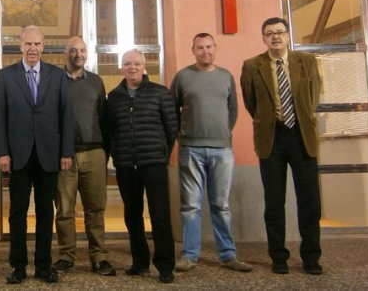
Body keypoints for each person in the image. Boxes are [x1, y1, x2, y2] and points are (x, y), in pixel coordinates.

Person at [240, 17, 323, 276]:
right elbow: (250, 102)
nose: (275, 37)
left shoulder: (306, 61)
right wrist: (269, 121)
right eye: (269, 33)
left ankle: (311, 257)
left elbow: (314, 96)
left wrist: (301, 117)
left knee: (309, 200)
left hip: (302, 137)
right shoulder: (252, 66)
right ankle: (278, 257)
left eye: (280, 32)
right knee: (274, 202)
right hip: (272, 138)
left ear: (288, 35)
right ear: (263, 38)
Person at [0, 25, 73, 284]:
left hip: (49, 154)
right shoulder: (6, 76)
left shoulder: (57, 76)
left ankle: (43, 265)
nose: (32, 48)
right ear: (19, 46)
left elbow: (66, 116)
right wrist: (2, 152)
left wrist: (66, 152)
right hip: (17, 155)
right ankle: (18, 266)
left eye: (37, 44)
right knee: (17, 212)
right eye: (28, 44)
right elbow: (0, 117)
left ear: (43, 46)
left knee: (45, 212)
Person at [171, 34, 252, 273]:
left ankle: (228, 255)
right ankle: (189, 255)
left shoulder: (226, 76)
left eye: (208, 47)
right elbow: (172, 109)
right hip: (191, 149)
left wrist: (223, 134)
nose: (205, 51)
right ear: (193, 50)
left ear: (215, 48)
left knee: (221, 205)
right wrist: (181, 135)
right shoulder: (183, 77)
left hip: (222, 150)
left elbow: (233, 110)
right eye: (199, 48)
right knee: (190, 206)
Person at [104, 48, 178, 284]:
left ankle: (165, 266)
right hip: (126, 165)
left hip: (153, 163)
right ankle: (140, 261)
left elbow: (172, 128)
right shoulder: (113, 97)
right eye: (127, 64)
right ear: (121, 67)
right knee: (132, 215)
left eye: (136, 63)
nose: (132, 67)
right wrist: (117, 155)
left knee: (160, 215)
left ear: (144, 65)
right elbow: (110, 131)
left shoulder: (161, 93)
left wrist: (161, 153)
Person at [52, 36, 115, 276]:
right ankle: (66, 255)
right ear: (64, 54)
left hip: (94, 153)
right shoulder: (55, 81)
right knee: (65, 210)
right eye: (73, 50)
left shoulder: (96, 82)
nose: (78, 54)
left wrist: (104, 152)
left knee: (95, 209)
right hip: (65, 157)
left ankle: (99, 257)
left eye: (82, 50)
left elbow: (104, 119)